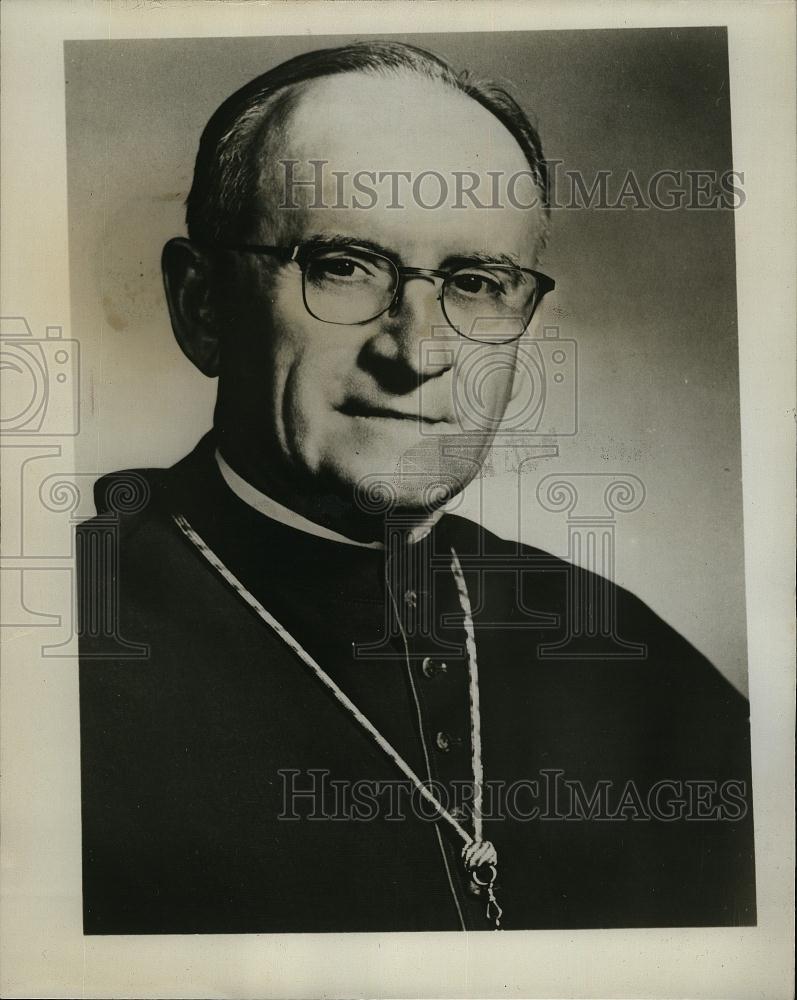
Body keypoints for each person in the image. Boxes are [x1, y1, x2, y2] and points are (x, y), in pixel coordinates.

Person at [78, 40, 755, 934]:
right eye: (343, 266)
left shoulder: (631, 665)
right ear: (202, 303)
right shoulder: (59, 647)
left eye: (476, 283)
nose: (418, 350)